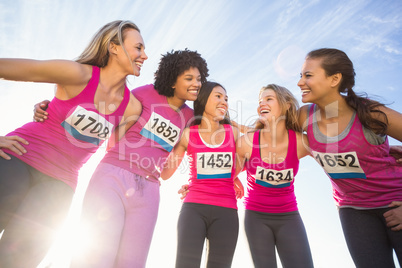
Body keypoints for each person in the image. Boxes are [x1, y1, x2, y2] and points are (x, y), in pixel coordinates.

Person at [0, 20, 147, 267]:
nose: (144, 55)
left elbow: (116, 154)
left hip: (60, 185)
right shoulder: (77, 74)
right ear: (114, 47)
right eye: (139, 48)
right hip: (18, 158)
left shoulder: (131, 107)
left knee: (16, 261)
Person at [297, 48, 402, 268]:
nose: (300, 82)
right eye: (300, 76)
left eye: (308, 75)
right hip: (353, 210)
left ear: (334, 79)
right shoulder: (304, 116)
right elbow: (266, 136)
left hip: (395, 202)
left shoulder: (371, 113)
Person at [161, 81, 243, 268]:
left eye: (226, 98)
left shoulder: (235, 134)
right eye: (218, 96)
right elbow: (166, 173)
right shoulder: (188, 135)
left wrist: (235, 176)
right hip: (193, 209)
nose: (224, 102)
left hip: (227, 212)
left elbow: (253, 156)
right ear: (204, 99)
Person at [234, 84, 314, 268]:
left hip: (289, 217)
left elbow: (333, 159)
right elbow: (224, 175)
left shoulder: (301, 142)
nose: (262, 103)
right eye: (260, 101)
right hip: (256, 218)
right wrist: (193, 185)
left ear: (286, 105)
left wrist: (384, 152)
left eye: (268, 99)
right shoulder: (246, 143)